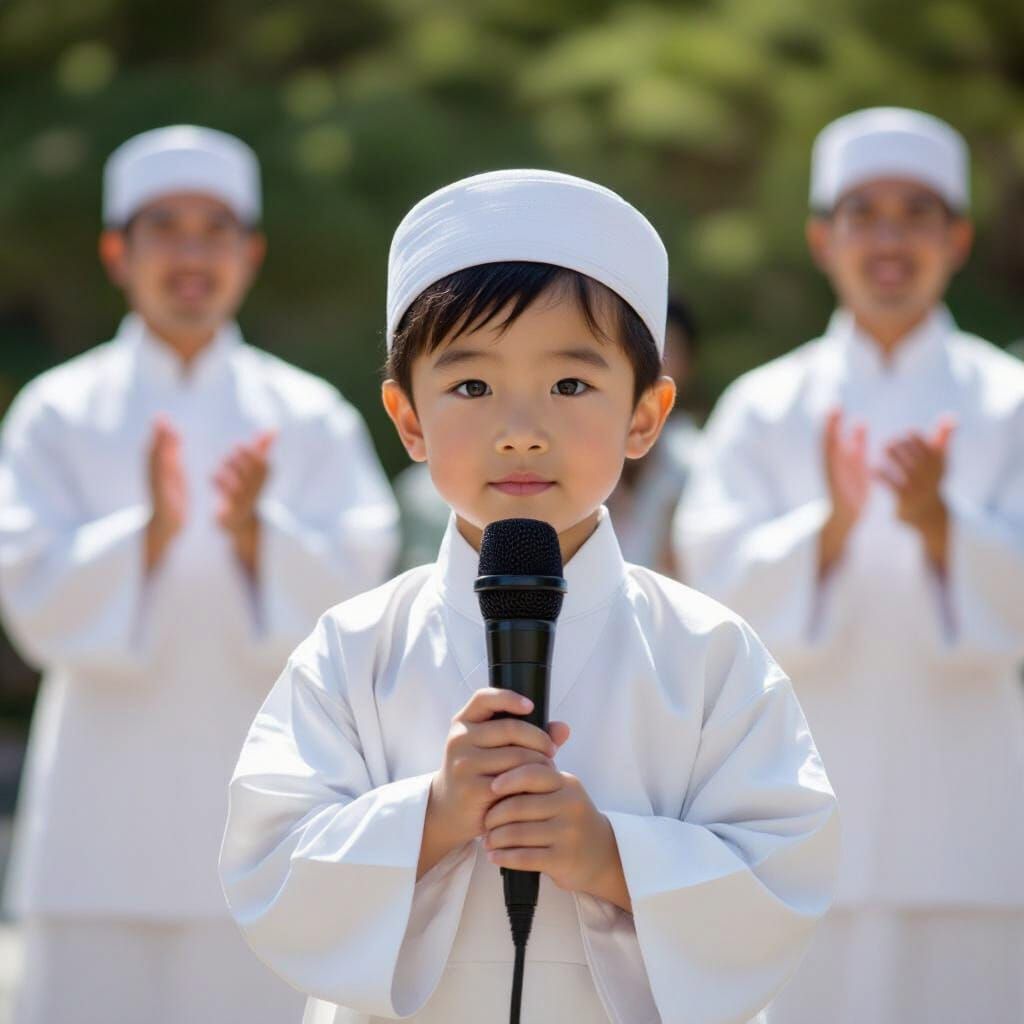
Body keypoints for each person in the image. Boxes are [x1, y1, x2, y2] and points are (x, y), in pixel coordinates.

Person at [219, 169, 839, 1024]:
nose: (521, 427)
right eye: (471, 386)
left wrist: (611, 856)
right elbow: (268, 870)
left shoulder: (709, 650)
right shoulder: (354, 646)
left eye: (571, 385)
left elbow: (786, 875)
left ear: (646, 416)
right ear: (407, 418)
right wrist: (432, 815)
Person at [0, 125, 399, 1024]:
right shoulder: (57, 411)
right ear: (118, 251)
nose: (192, 254)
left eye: (215, 229)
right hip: (98, 813)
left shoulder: (306, 414)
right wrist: (148, 534)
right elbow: (26, 589)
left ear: (250, 253)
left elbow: (363, 590)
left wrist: (262, 536)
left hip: (264, 804)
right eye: (166, 228)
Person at [675, 108, 1024, 1024]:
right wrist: (827, 530)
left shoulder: (1011, 399)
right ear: (822, 239)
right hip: (796, 800)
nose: (889, 238)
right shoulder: (765, 404)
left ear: (956, 238)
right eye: (863, 213)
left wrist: (948, 529)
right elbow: (708, 583)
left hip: (973, 799)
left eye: (916, 213)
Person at [606, 295, 701, 574]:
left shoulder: (700, 465)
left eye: (665, 351)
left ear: (687, 363)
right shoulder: (566, 456)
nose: (648, 365)